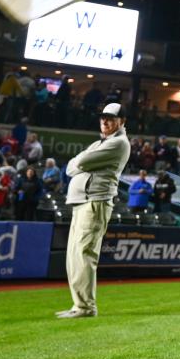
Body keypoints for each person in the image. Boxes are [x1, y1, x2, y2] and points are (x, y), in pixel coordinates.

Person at [58, 102, 130, 319]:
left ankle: (86, 307)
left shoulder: (118, 143)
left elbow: (81, 162)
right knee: (74, 254)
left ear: (122, 121)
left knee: (84, 253)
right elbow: (72, 166)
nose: (105, 121)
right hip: (83, 202)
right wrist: (79, 163)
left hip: (95, 202)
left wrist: (80, 163)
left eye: (110, 118)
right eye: (102, 118)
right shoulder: (101, 142)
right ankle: (78, 304)